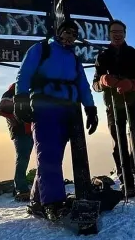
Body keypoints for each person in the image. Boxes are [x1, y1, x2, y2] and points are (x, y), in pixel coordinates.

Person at [13, 19, 99, 221]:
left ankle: (37, 201)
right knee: (48, 154)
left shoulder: (73, 58)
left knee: (52, 155)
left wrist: (90, 108)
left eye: (73, 34)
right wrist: (21, 100)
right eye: (67, 32)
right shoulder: (41, 49)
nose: (70, 37)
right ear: (58, 32)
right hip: (44, 107)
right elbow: (24, 73)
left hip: (68, 109)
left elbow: (83, 85)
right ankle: (53, 203)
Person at [91, 19, 135, 203]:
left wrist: (132, 83)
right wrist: (103, 80)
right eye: (114, 32)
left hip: (134, 103)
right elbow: (95, 84)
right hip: (113, 106)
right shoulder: (103, 57)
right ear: (109, 34)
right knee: (119, 145)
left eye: (120, 31)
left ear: (125, 33)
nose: (117, 34)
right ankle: (126, 183)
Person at [0, 83, 34, 202]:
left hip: (29, 130)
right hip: (21, 131)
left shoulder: (23, 91)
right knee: (22, 159)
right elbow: (2, 108)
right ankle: (21, 189)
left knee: (24, 158)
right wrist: (17, 116)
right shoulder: (12, 92)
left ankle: (21, 187)